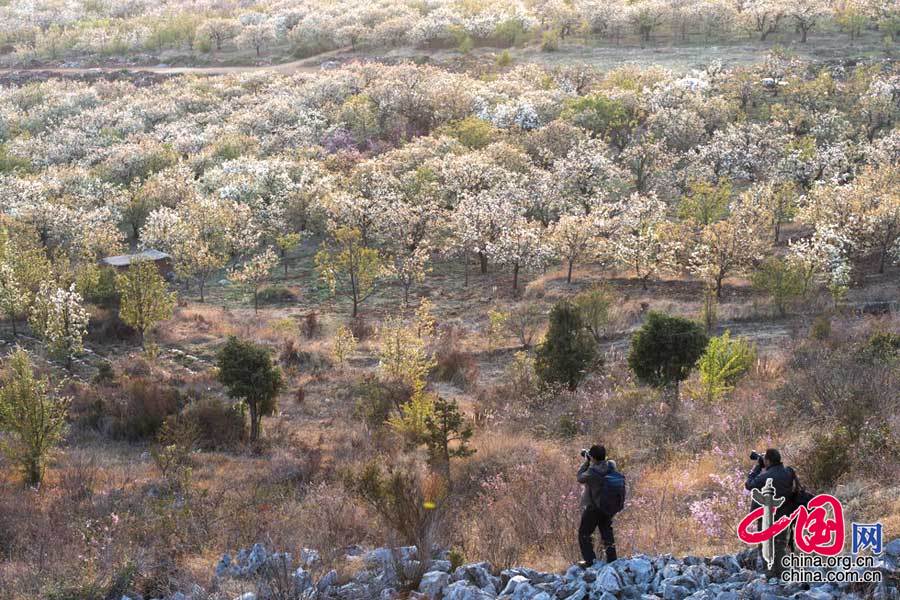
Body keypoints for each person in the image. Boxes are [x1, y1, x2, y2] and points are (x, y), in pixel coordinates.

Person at [745, 448, 799, 580]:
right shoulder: (788, 472)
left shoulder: (765, 476)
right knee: (780, 544)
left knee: (765, 544)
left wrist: (757, 467)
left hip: (766, 516)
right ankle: (782, 575)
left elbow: (749, 485)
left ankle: (770, 575)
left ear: (767, 461)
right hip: (784, 514)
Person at [577, 444, 619, 567]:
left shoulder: (591, 472)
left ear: (593, 458)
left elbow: (579, 477)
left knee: (584, 533)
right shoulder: (611, 465)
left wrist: (586, 462)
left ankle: (590, 561)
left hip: (593, 508)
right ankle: (612, 560)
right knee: (606, 533)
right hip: (608, 506)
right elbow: (605, 463)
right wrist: (593, 459)